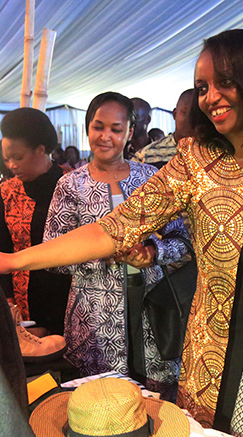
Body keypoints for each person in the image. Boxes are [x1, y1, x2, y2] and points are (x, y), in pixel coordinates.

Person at [0, 29, 243, 429]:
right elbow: (108, 231)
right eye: (202, 87)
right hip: (220, 352)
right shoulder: (197, 161)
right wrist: (13, 260)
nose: (210, 97)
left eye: (225, 82)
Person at [43, 92, 189, 401]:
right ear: (88, 128)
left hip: (152, 306)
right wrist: (101, 252)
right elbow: (52, 253)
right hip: (94, 315)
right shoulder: (71, 185)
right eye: (98, 127)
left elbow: (183, 241)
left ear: (129, 133)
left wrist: (155, 253)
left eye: (115, 129)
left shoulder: (152, 180)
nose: (105, 136)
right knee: (102, 405)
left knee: (158, 400)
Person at [0, 108, 71, 335]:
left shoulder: (71, 186)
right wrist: (8, 303)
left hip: (69, 300)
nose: (11, 166)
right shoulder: (7, 192)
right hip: (23, 304)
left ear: (41, 149)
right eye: (7, 159)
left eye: (18, 157)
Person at [134, 88, 196, 170]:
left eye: (197, 114)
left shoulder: (213, 152)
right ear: (175, 114)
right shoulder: (146, 155)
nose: (191, 119)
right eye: (184, 113)